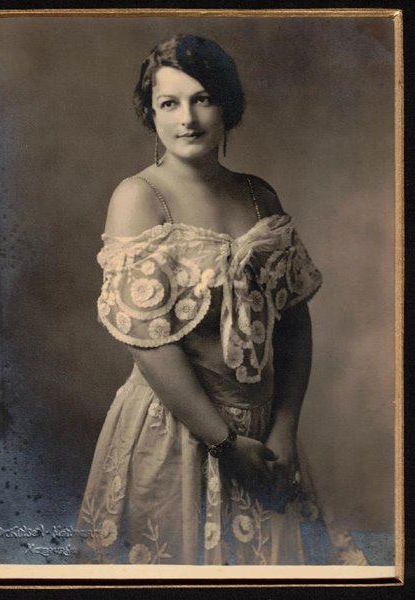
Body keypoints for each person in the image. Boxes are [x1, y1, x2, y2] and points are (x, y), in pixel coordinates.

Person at [75, 34, 366, 566]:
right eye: (169, 103)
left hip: (265, 433)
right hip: (175, 431)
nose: (187, 118)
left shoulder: (260, 194)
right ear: (152, 114)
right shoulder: (140, 197)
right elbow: (149, 342)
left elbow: (294, 325)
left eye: (202, 99)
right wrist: (225, 446)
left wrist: (283, 429)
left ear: (227, 105)